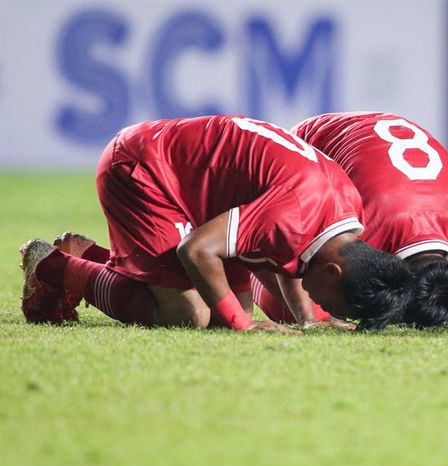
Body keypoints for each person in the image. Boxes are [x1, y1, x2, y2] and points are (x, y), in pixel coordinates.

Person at [20, 115, 413, 331]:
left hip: (195, 193)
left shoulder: (343, 212)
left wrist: (310, 319)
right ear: (334, 270)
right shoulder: (297, 211)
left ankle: (88, 254)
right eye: (330, 302)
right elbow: (196, 249)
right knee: (188, 316)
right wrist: (246, 327)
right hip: (142, 169)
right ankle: (53, 266)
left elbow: (291, 250)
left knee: (223, 314)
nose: (326, 305)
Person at [252, 112, 448, 328]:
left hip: (373, 135)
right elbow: (291, 242)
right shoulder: (367, 224)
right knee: (303, 297)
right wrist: (310, 319)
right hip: (307, 142)